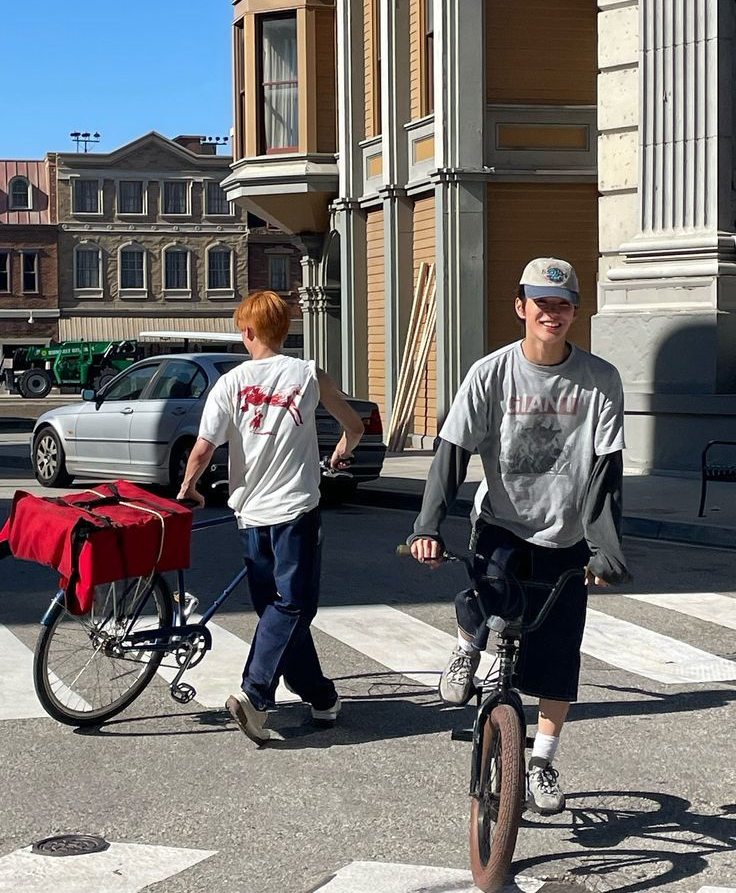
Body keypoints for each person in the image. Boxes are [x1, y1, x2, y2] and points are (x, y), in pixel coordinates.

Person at [408, 257, 629, 815]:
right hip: (502, 524)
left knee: (558, 656)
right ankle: (467, 642)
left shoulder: (600, 379)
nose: (552, 314)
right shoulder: (491, 373)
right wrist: (427, 526)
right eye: (541, 304)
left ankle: (543, 763)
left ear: (574, 311)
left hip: (565, 536)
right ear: (520, 307)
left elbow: (605, 472)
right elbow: (452, 453)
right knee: (490, 601)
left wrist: (605, 548)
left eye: (562, 305)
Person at [177, 291, 364, 746]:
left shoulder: (229, 383)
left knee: (276, 609)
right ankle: (255, 693)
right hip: (295, 510)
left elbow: (203, 448)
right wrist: (343, 450)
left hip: (250, 515)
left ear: (247, 332)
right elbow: (354, 424)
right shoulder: (308, 374)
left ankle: (320, 696)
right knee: (293, 606)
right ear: (283, 331)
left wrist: (189, 488)